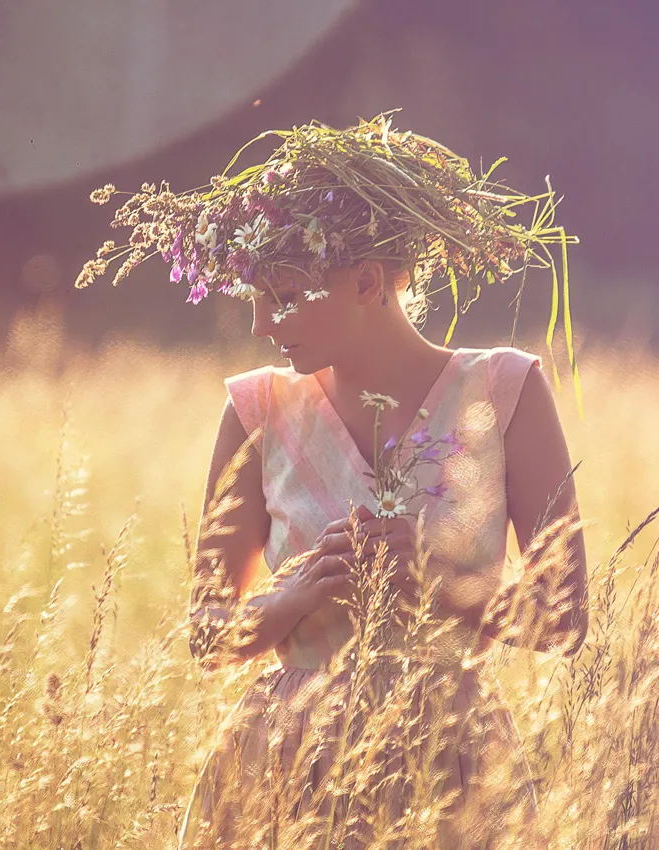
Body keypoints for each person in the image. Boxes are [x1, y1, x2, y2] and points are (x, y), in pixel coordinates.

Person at [80, 111, 588, 849]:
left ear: (367, 281)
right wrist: (290, 598)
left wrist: (430, 577)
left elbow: (565, 620)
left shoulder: (505, 393)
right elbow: (207, 635)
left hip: (450, 767)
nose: (260, 322)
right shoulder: (257, 410)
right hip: (285, 765)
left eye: (281, 295)